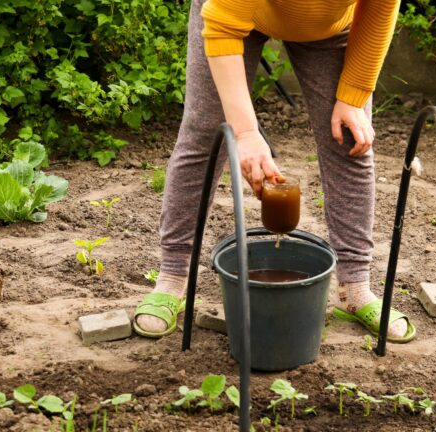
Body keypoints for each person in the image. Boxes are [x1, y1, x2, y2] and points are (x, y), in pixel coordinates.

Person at [132, 0, 416, 343]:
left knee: (350, 139)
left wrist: (353, 95)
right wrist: (246, 133)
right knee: (206, 133)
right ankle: (173, 277)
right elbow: (222, 26)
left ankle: (355, 287)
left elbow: (381, 7)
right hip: (232, 15)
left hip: (327, 27)